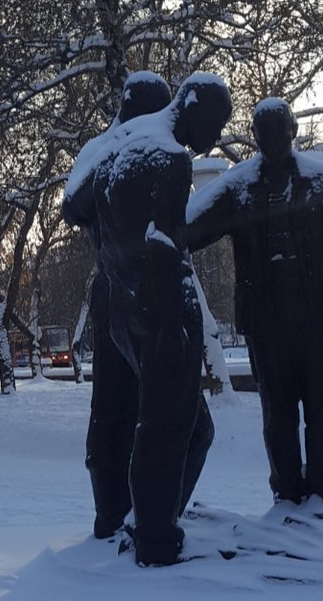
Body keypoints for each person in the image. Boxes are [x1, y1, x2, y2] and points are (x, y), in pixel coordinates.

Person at [188, 98, 323, 518]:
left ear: (293, 133)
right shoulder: (236, 187)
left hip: (316, 318)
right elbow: (186, 229)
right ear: (255, 138)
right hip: (266, 324)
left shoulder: (321, 180)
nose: (273, 143)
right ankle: (285, 496)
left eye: (280, 134)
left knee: (322, 411)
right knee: (277, 415)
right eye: (264, 136)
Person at [85, 72, 231, 566]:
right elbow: (164, 244)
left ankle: (148, 521)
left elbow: (107, 235)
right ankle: (155, 537)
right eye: (214, 124)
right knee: (171, 428)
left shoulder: (113, 158)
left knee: (174, 427)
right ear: (190, 106)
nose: (214, 137)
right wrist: (173, 325)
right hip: (164, 308)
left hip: (126, 307)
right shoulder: (168, 157)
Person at [63, 71, 197, 542]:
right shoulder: (115, 150)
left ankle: (141, 514)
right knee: (138, 413)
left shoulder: (113, 151)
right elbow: (72, 207)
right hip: (131, 291)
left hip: (120, 291)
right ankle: (141, 517)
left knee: (125, 411)